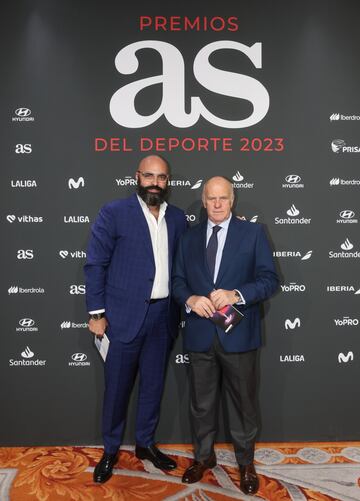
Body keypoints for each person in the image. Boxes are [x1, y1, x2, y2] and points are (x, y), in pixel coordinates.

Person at [172, 176, 278, 496]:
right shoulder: (188, 239)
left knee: (244, 404)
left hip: (239, 334)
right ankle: (203, 458)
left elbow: (269, 280)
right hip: (200, 335)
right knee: (201, 405)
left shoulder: (254, 233)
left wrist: (237, 294)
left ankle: (245, 463)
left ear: (232, 200)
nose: (217, 204)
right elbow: (177, 281)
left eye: (224, 198)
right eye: (211, 199)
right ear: (203, 202)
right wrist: (190, 299)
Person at [84, 155, 187, 483]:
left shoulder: (179, 218)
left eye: (161, 177)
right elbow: (95, 264)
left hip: (163, 316)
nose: (155, 182)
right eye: (149, 176)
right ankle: (111, 449)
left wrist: (233, 224)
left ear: (168, 182)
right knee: (116, 389)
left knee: (153, 387)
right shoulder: (113, 212)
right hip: (122, 317)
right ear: (137, 177)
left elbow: (196, 253)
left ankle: (145, 444)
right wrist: (96, 313)